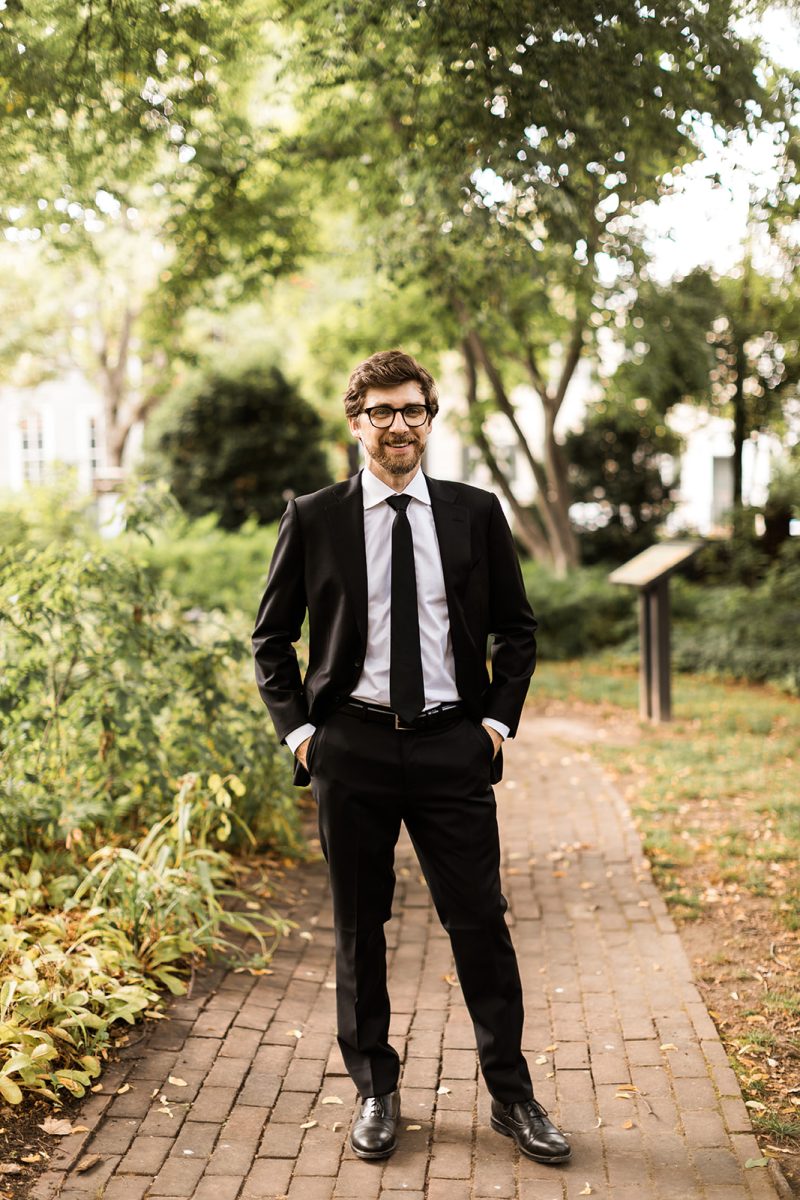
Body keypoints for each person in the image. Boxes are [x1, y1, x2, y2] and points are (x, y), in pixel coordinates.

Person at [252, 349, 570, 1166]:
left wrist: (496, 725)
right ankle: (375, 1090)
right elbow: (271, 639)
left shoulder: (474, 512)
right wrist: (301, 735)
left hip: (450, 749)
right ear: (356, 421)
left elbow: (517, 629)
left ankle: (511, 1094)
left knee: (481, 924)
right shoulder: (317, 516)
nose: (399, 426)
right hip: (349, 748)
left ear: (431, 419)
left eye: (413, 411)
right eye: (382, 412)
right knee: (360, 928)